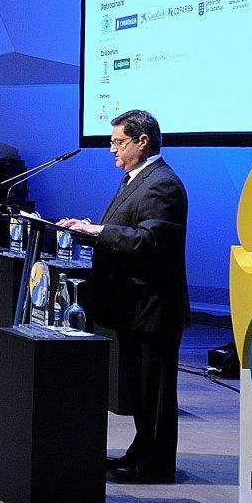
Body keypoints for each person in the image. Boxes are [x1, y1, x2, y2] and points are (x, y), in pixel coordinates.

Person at [56, 109, 189, 484]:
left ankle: (156, 465)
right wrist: (92, 231)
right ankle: (140, 453)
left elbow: (150, 241)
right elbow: (126, 230)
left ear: (142, 141)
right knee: (141, 391)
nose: (112, 150)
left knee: (156, 393)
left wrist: (97, 231)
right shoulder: (137, 180)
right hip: (133, 307)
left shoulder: (162, 184)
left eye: (118, 142)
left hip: (153, 307)